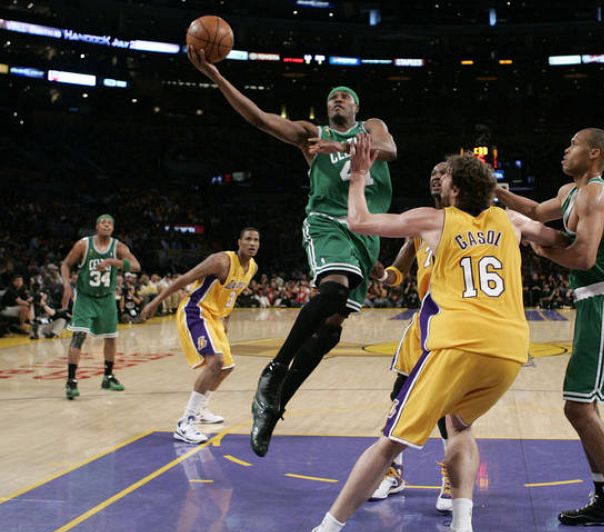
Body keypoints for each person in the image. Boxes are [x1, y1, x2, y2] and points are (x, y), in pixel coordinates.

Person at [308, 135, 562, 532]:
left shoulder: (434, 219)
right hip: (510, 349)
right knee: (459, 427)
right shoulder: (511, 221)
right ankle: (463, 527)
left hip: (456, 340)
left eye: (444, 178)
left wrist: (358, 176)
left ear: (456, 189)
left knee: (391, 440)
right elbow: (558, 240)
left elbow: (359, 220)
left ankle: (325, 530)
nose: (438, 181)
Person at [187, 46, 397, 457]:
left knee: (331, 329)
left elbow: (389, 151)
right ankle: (274, 371)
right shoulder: (310, 134)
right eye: (332, 97)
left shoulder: (372, 127)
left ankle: (273, 404)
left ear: (356, 107)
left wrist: (342, 148)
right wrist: (215, 74)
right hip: (326, 221)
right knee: (332, 292)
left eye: (344, 96)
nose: (337, 100)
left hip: (366, 229)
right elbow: (260, 119)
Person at [496, 128, 604, 532]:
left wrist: (543, 249)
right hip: (593, 303)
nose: (564, 150)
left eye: (571, 145)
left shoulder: (597, 195)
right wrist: (498, 191)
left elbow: (585, 257)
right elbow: (536, 212)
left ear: (593, 153)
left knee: (578, 408)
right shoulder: (572, 193)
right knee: (584, 405)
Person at [369, 161, 453, 511]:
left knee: (448, 407)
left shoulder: (471, 220)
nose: (435, 175)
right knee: (400, 396)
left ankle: (452, 477)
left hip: (456, 322)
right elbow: (397, 274)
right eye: (432, 171)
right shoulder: (419, 226)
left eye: (444, 171)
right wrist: (381, 275)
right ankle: (394, 472)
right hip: (424, 321)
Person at [141, 228, 260, 444]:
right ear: (239, 242)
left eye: (256, 240)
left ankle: (202, 407)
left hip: (215, 317)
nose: (252, 243)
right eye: (248, 239)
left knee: (227, 367)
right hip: (195, 310)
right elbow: (186, 278)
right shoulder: (221, 261)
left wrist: (226, 321)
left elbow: (232, 295)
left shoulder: (252, 267)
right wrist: (155, 302)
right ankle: (185, 422)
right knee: (215, 362)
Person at [60, 215, 141, 400]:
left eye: (110, 223)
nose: (106, 225)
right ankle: (71, 380)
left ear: (112, 228)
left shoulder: (118, 247)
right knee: (78, 336)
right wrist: (66, 284)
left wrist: (113, 262)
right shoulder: (83, 245)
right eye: (103, 222)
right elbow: (66, 264)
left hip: (106, 298)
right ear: (97, 226)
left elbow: (136, 266)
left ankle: (108, 376)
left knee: (111, 338)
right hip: (85, 298)